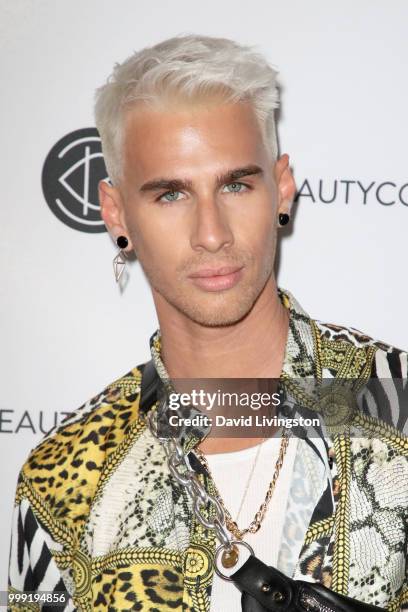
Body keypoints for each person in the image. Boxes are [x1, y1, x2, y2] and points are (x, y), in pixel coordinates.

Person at [7, 34, 408, 611]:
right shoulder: (61, 481)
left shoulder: (393, 402)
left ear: (282, 189)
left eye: (236, 185)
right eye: (170, 195)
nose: (212, 233)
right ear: (116, 213)